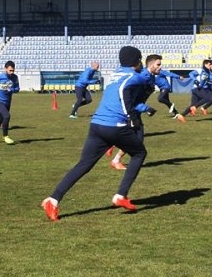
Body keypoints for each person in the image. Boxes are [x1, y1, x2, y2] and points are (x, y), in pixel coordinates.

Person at [41, 46, 154, 221]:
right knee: (139, 153)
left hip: (97, 124)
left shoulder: (116, 73)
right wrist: (133, 118)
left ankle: (53, 200)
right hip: (115, 125)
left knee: (84, 164)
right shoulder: (134, 76)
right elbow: (134, 86)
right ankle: (121, 195)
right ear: (137, 61)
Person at [107, 53, 162, 170]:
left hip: (135, 111)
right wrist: (146, 108)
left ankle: (113, 147)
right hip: (130, 112)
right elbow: (131, 100)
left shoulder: (151, 77)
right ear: (151, 65)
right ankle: (116, 160)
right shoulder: (142, 77)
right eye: (158, 64)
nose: (160, 67)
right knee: (137, 140)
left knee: (135, 139)